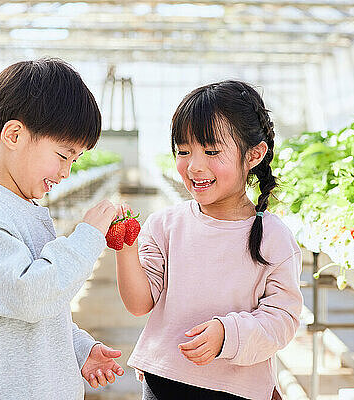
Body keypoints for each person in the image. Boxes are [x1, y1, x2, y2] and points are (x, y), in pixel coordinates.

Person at [0, 58, 123, 399]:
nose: (66, 172)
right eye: (62, 155)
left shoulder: (23, 208)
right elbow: (31, 297)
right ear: (14, 135)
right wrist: (87, 237)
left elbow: (38, 311)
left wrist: (78, 348)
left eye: (74, 160)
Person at [115, 80, 303, 399]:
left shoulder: (274, 238)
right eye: (184, 151)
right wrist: (125, 248)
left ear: (254, 154)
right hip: (164, 382)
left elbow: (282, 320)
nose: (194, 166)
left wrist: (227, 334)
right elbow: (139, 303)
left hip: (236, 389)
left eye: (212, 151)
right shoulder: (165, 224)